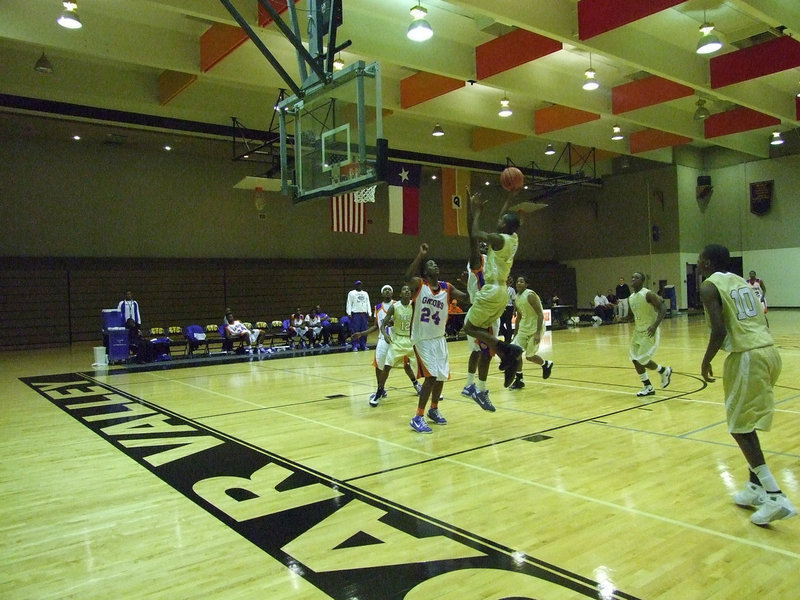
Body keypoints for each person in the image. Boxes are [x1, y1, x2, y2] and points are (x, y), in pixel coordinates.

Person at [698, 244, 795, 525]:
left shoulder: (709, 286)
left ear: (708, 263)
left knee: (739, 427)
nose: (700, 264)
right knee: (748, 421)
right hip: (769, 351)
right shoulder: (741, 282)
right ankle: (755, 487)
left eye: (701, 260)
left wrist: (706, 361)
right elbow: (763, 318)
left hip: (747, 356)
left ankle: (775, 496)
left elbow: (719, 330)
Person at [462, 187, 524, 389]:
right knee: (482, 340)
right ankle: (506, 359)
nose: (498, 221)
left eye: (501, 221)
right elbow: (502, 218)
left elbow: (475, 234)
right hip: (502, 292)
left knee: (469, 328)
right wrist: (508, 198)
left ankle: (508, 350)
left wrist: (477, 212)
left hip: (491, 292)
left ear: (504, 225)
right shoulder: (513, 238)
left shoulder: (497, 240)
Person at [405, 243, 468, 433]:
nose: (435, 265)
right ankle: (417, 417)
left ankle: (433, 409)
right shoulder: (420, 285)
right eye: (431, 264)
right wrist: (420, 256)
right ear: (425, 272)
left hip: (439, 338)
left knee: (440, 376)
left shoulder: (447, 287)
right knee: (431, 376)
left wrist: (468, 284)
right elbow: (407, 278)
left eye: (435, 263)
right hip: (422, 338)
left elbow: (468, 298)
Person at [353, 284, 419, 406]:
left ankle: (418, 385)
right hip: (385, 339)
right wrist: (362, 334)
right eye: (385, 290)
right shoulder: (378, 307)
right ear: (382, 293)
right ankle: (380, 390)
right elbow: (377, 326)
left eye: (389, 290)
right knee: (380, 365)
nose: (387, 291)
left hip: (399, 339)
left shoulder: (398, 304)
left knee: (408, 364)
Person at [625, 272, 671, 396]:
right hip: (637, 332)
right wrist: (620, 318)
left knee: (642, 359)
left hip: (649, 331)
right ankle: (648, 386)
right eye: (632, 277)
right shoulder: (631, 297)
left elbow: (663, 308)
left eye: (636, 277)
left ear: (642, 281)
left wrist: (655, 326)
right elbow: (630, 316)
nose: (633, 279)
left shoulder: (648, 294)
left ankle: (664, 370)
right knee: (634, 359)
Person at [508, 275, 554, 389]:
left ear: (526, 284)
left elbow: (540, 314)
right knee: (515, 352)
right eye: (517, 281)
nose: (518, 283)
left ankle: (546, 364)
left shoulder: (530, 295)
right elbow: (519, 317)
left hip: (535, 329)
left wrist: (538, 333)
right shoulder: (516, 298)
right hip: (524, 328)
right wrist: (515, 333)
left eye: (521, 281)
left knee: (529, 356)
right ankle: (519, 379)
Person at [346, 280, 371, 351]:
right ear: (355, 286)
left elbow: (368, 303)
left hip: (364, 314)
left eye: (360, 284)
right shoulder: (351, 293)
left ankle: (363, 345)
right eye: (358, 285)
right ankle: (355, 345)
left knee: (364, 330)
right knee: (355, 330)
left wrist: (369, 313)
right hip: (356, 314)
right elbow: (349, 303)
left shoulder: (365, 293)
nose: (359, 286)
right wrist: (349, 313)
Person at [499, 275, 517, 343]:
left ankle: (508, 339)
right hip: (501, 308)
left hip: (509, 308)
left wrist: (514, 310)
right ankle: (506, 335)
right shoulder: (500, 288)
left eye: (509, 280)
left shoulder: (512, 290)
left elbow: (514, 300)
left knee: (508, 324)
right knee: (500, 324)